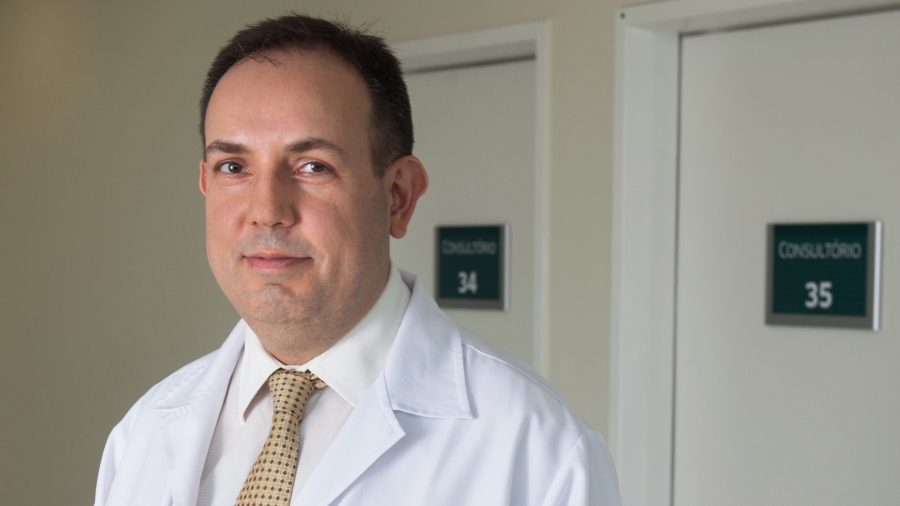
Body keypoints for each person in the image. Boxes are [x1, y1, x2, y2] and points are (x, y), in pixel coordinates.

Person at [94, 13, 620, 506]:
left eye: (312, 166)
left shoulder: (540, 451)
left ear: (398, 196)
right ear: (206, 184)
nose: (266, 211)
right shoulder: (144, 432)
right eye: (234, 166)